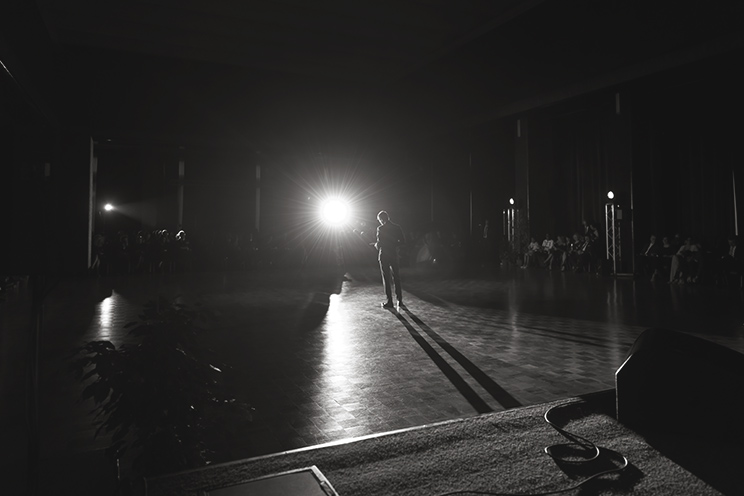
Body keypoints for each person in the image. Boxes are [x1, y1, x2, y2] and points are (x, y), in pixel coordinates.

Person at [375, 210, 405, 308]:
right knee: (396, 277)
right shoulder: (397, 227)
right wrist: (393, 244)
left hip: (384, 255)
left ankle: (390, 302)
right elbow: (402, 241)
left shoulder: (380, 228)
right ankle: (399, 300)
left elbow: (380, 244)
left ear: (381, 219)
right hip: (394, 254)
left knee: (386, 279)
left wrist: (376, 245)